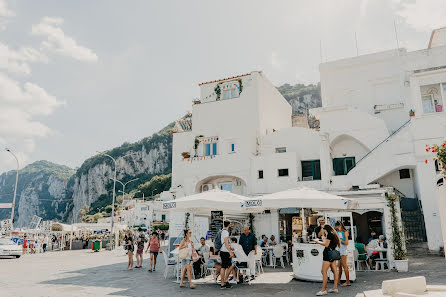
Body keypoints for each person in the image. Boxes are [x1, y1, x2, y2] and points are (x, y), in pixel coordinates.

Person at [314, 225, 340, 296]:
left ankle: (323, 290)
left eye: (323, 230)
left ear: (326, 229)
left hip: (327, 254)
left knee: (323, 271)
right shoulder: (334, 234)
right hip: (332, 254)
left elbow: (326, 245)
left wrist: (317, 242)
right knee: (334, 271)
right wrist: (324, 239)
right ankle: (335, 288)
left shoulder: (329, 235)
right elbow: (330, 244)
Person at [220, 220, 234, 289]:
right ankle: (223, 282)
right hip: (225, 252)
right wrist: (230, 252)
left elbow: (226, 243)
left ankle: (224, 281)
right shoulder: (225, 232)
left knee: (227, 266)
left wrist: (230, 248)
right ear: (229, 224)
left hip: (224, 251)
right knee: (225, 267)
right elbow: (226, 243)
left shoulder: (223, 231)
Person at [335, 221, 350, 287]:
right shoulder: (338, 232)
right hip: (339, 250)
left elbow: (346, 242)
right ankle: (338, 280)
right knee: (339, 266)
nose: (337, 228)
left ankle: (347, 282)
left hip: (343, 250)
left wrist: (340, 240)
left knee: (344, 265)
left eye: (337, 227)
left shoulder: (345, 232)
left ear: (340, 226)